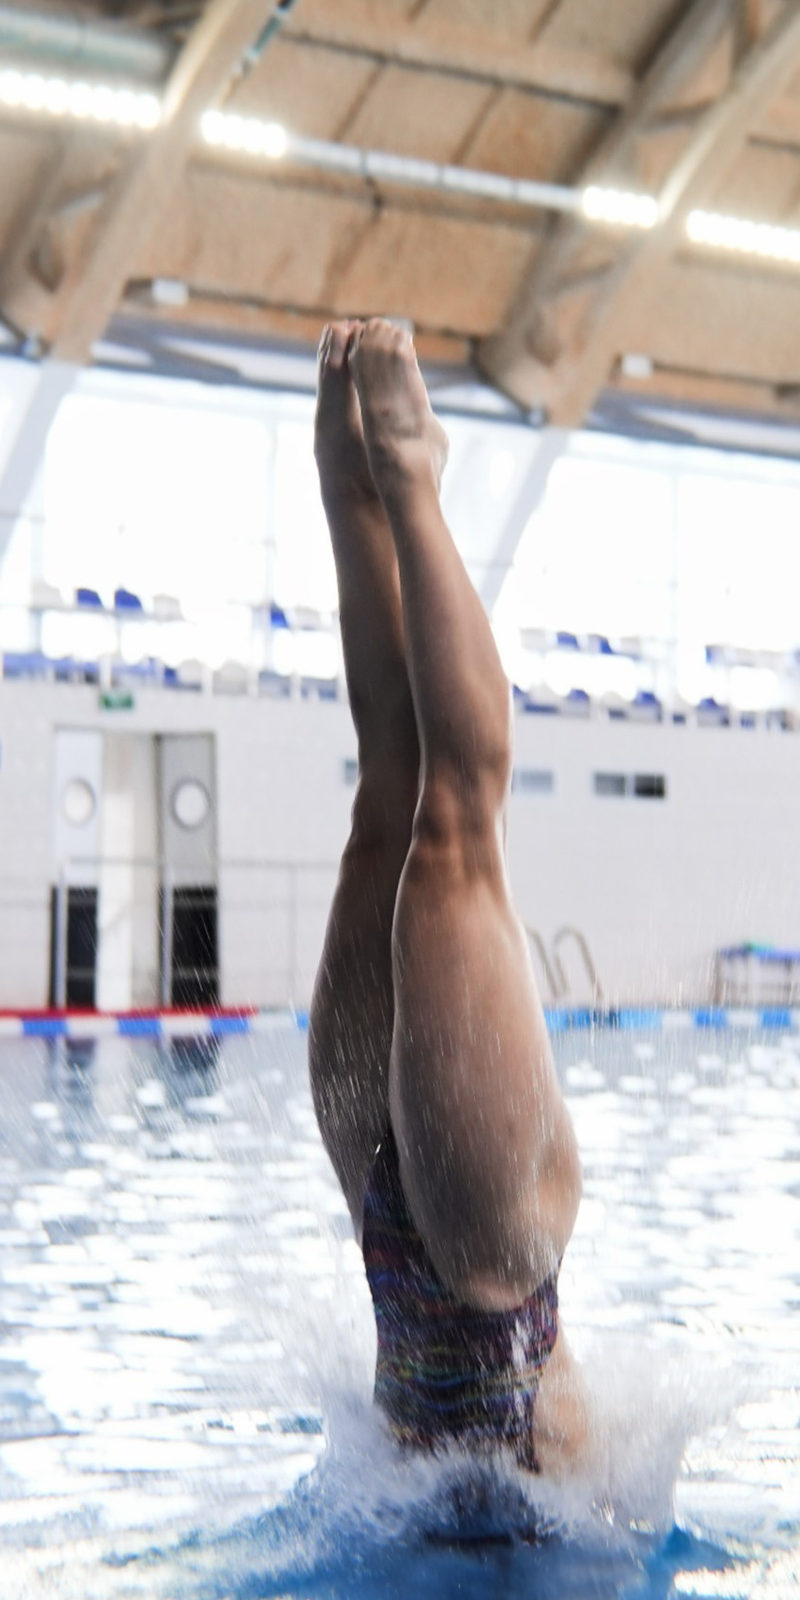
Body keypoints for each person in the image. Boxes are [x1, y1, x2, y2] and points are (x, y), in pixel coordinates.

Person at [308, 319, 587, 1476]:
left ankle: (359, 497)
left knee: (399, 814)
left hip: (406, 1236)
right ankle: (403, 480)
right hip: (486, 1269)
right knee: (446, 831)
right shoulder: (574, 1540)